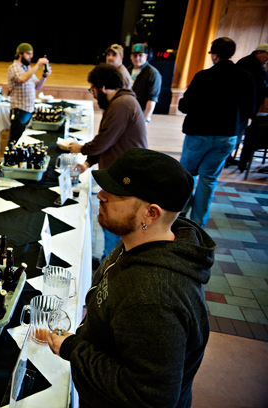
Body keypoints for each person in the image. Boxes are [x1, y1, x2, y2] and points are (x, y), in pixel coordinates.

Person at [48, 147, 214, 408]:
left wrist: (73, 349)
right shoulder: (139, 240)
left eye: (116, 194)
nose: (101, 195)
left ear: (151, 213)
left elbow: (151, 396)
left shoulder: (153, 299)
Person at [61, 63, 147, 258]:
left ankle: (111, 263)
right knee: (111, 222)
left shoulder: (122, 104)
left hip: (125, 178)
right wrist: (86, 163)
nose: (93, 94)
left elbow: (104, 140)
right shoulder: (119, 102)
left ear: (102, 86)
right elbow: (108, 141)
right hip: (120, 173)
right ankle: (107, 259)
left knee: (116, 223)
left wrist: (80, 148)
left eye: (93, 89)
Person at [178, 37, 255, 227]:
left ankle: (180, 216)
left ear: (214, 54)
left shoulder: (203, 76)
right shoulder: (246, 77)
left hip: (199, 134)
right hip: (227, 135)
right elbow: (250, 109)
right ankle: (197, 224)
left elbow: (185, 106)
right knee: (209, 179)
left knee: (188, 175)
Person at [6, 43, 51, 145]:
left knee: (23, 140)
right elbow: (22, 79)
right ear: (20, 54)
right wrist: (38, 65)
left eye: (32, 54)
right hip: (19, 110)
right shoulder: (14, 67)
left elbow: (38, 87)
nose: (31, 56)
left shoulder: (28, 69)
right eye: (28, 54)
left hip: (29, 109)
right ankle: (9, 159)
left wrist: (44, 75)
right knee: (15, 139)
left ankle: (17, 159)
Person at [128, 43, 161, 124]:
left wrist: (145, 120)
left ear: (146, 56)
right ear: (131, 56)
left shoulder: (153, 73)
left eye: (140, 55)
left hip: (140, 112)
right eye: (134, 55)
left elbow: (152, 99)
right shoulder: (127, 70)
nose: (137, 58)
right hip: (127, 109)